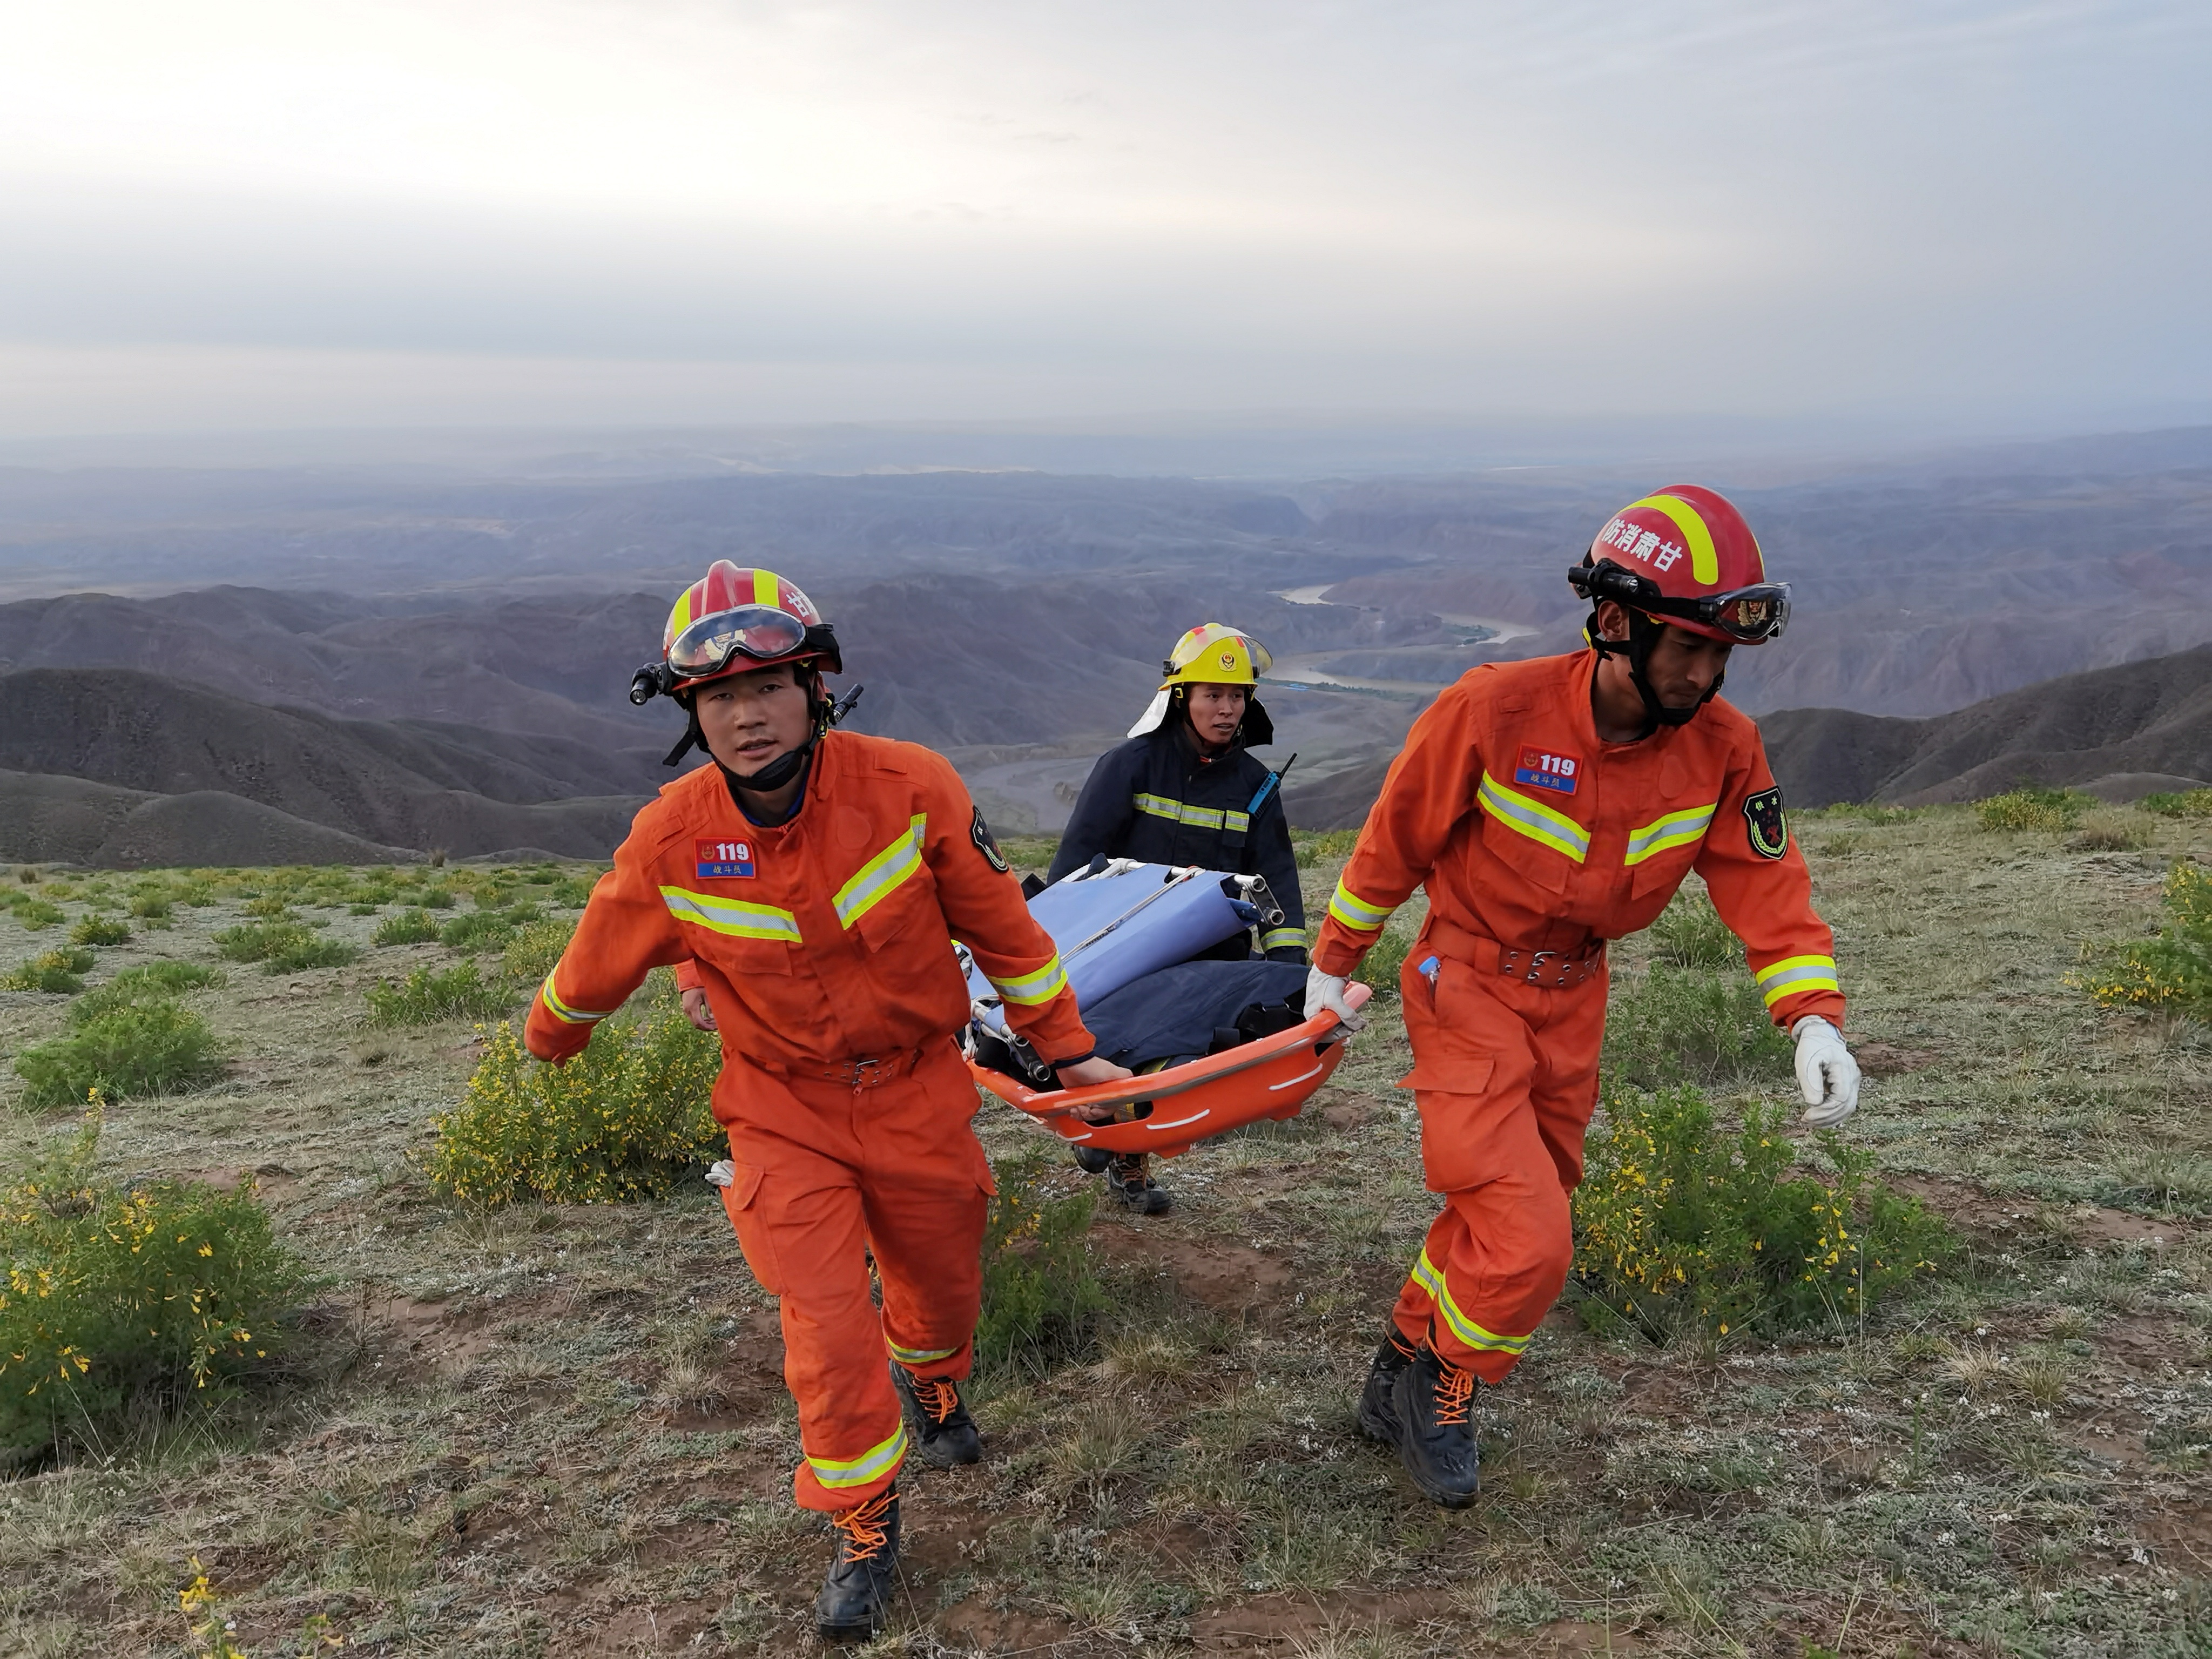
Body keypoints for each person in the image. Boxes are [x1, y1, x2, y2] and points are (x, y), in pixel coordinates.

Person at [524, 561, 1130, 1640]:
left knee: (940, 1287)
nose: (744, 714)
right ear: (690, 714)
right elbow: (596, 956)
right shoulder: (670, 837)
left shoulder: (911, 787)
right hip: (778, 1112)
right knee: (822, 1326)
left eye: (768, 689)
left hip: (916, 1092)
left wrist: (1069, 1055)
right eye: (717, 698)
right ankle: (863, 1516)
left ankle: (934, 1383)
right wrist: (553, 1037)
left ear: (816, 691)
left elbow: (1004, 933)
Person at [1303, 487, 1862, 1509]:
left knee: (1504, 1212)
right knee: (1529, 1240)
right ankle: (1448, 1389)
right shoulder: (1492, 710)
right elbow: (1395, 839)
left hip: (1575, 1000)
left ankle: (1394, 1369)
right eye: (1685, 647)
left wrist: (1812, 1013)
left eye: (1718, 654)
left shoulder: (1725, 745)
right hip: (1463, 981)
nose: (1704, 673)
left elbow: (1764, 884)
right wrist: (1333, 961)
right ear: (1616, 623)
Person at [1045, 622, 1307, 1213]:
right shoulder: (1130, 765)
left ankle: (1120, 1143)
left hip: (1211, 961)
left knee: (1173, 1064)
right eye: (1212, 694)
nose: (1226, 708)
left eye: (1237, 696)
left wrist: (1289, 969)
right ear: (1181, 697)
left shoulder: (1256, 787)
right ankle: (1118, 1148)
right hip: (1124, 949)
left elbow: (1278, 878)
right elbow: (1074, 864)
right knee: (1123, 1052)